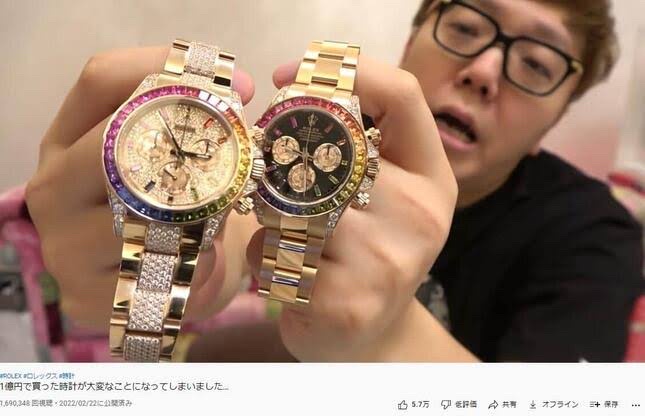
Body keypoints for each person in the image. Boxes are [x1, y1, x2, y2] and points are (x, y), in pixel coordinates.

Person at [15, 0, 644, 362]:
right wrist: (182, 267)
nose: (483, 70)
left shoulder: (596, 236)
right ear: (412, 41)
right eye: (464, 28)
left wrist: (389, 332)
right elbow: (243, 223)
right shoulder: (321, 130)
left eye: (536, 63)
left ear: (556, 119)